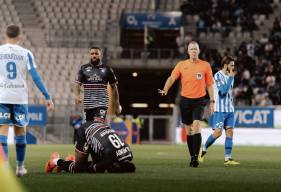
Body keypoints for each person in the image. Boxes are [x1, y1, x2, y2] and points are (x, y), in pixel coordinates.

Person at [0, 25, 54, 176]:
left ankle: (3, 170)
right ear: (20, 36)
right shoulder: (26, 53)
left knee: (2, 135)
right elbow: (35, 76)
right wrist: (47, 96)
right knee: (20, 134)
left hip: (2, 97)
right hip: (19, 98)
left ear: (5, 34)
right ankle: (20, 168)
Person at [159, 41, 215, 167]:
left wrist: (212, 101)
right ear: (188, 51)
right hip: (185, 101)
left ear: (199, 51)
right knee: (189, 131)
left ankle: (195, 158)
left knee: (196, 126)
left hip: (200, 100)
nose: (193, 51)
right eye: (191, 49)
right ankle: (193, 156)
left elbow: (210, 85)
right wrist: (166, 88)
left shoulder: (205, 66)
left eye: (195, 49)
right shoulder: (181, 65)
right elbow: (172, 78)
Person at [44, 117, 135, 173]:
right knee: (78, 169)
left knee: (97, 167)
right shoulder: (110, 159)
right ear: (117, 165)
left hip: (100, 128)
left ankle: (72, 160)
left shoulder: (129, 154)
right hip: (85, 131)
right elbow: (94, 168)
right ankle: (55, 161)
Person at [199, 56, 240, 165]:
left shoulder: (231, 76)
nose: (233, 67)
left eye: (234, 65)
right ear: (225, 65)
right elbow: (222, 92)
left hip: (230, 109)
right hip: (219, 110)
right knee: (217, 133)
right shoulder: (217, 76)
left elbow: (229, 93)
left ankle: (227, 159)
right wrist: (231, 77)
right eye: (231, 65)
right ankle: (204, 147)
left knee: (230, 132)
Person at [75, 47, 121, 121]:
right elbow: (78, 84)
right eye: (92, 53)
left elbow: (114, 87)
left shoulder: (107, 69)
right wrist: (77, 95)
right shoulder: (83, 68)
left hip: (102, 104)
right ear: (89, 55)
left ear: (100, 55)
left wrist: (117, 104)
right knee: (89, 128)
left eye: (96, 53)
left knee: (97, 124)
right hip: (88, 105)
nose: (94, 55)